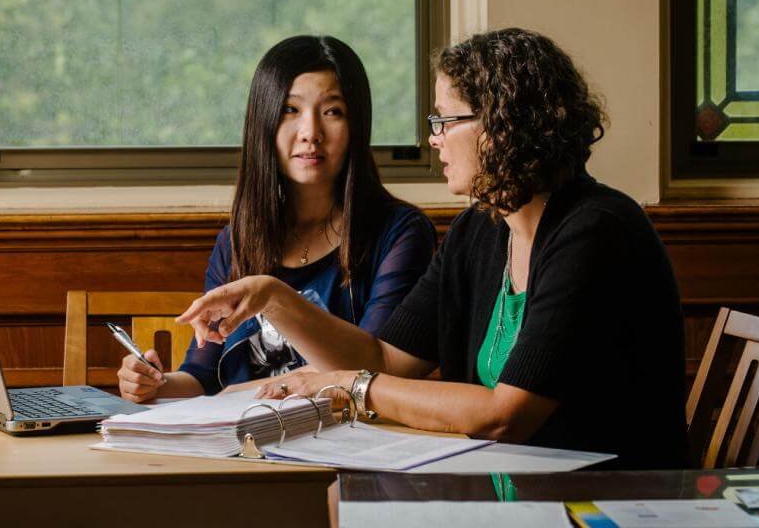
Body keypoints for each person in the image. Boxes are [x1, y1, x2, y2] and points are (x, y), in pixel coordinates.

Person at [177, 28, 687, 469]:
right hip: (511, 501)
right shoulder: (480, 230)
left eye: (446, 121)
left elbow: (504, 415)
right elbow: (385, 358)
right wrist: (273, 296)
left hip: (604, 505)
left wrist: (346, 385)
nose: (434, 140)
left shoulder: (595, 231)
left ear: (503, 125)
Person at [117, 35, 436, 401]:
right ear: (264, 122)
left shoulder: (399, 233)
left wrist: (273, 299)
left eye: (333, 111)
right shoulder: (238, 240)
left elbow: (374, 371)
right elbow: (203, 376)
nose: (310, 133)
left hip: (343, 444)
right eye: (290, 110)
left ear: (356, 125)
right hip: (242, 441)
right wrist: (154, 383)